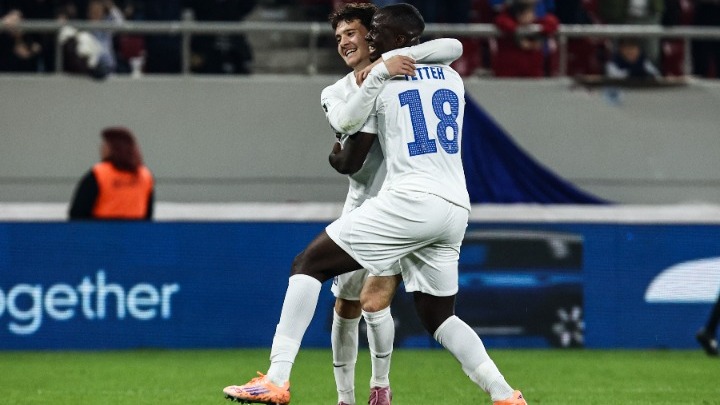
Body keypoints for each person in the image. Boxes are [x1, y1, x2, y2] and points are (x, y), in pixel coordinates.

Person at [222, 3, 526, 405]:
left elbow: (348, 136)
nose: (365, 38)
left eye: (371, 32)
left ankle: (277, 379)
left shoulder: (383, 83)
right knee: (439, 316)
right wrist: (387, 64)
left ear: (394, 38)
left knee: (308, 265)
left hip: (407, 202)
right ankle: (505, 395)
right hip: (454, 205)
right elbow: (451, 46)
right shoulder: (450, 77)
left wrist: (379, 73)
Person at [322, 4, 463, 404]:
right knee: (345, 305)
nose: (345, 42)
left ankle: (379, 386)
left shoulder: (405, 74)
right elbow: (348, 161)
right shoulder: (336, 91)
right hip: (360, 204)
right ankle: (345, 397)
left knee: (373, 301)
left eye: (352, 33)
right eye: (338, 37)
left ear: (373, 36)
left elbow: (452, 46)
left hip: (402, 205)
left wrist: (384, 67)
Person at [69, 127, 154, 220]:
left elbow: (78, 212)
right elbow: (148, 214)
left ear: (112, 149)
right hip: (136, 228)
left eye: (104, 145)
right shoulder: (145, 175)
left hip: (101, 227)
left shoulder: (98, 174)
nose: (101, 149)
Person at [492, 0, 559, 77]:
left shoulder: (538, 21)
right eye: (524, 13)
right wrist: (518, 31)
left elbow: (552, 23)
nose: (529, 16)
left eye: (531, 12)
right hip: (508, 73)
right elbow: (502, 21)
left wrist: (539, 30)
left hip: (532, 73)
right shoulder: (505, 18)